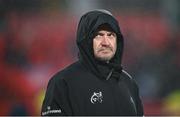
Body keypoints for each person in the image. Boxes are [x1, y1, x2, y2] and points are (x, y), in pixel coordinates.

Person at [41, 9, 144, 116]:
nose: (106, 42)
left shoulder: (129, 83)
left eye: (111, 35)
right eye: (99, 35)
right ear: (85, 39)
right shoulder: (63, 83)